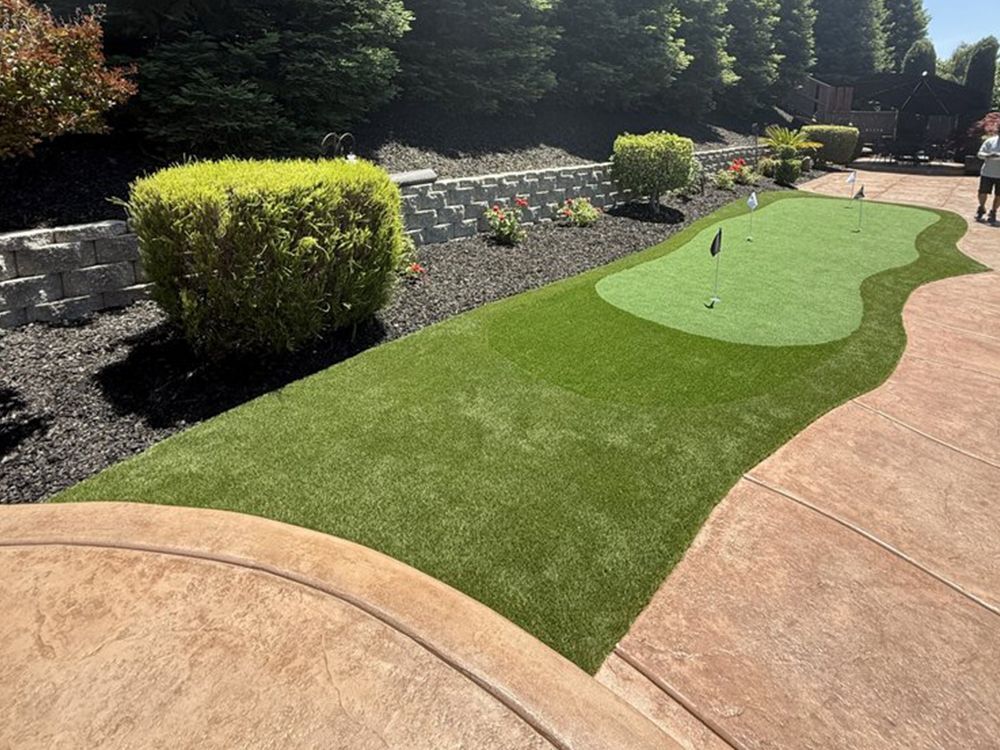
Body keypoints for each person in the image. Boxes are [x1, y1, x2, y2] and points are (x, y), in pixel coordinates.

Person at [977, 119, 1000, 225]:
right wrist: (988, 155)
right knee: (982, 192)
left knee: (999, 195)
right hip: (987, 172)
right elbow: (980, 154)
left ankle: (993, 211)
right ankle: (981, 208)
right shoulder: (990, 141)